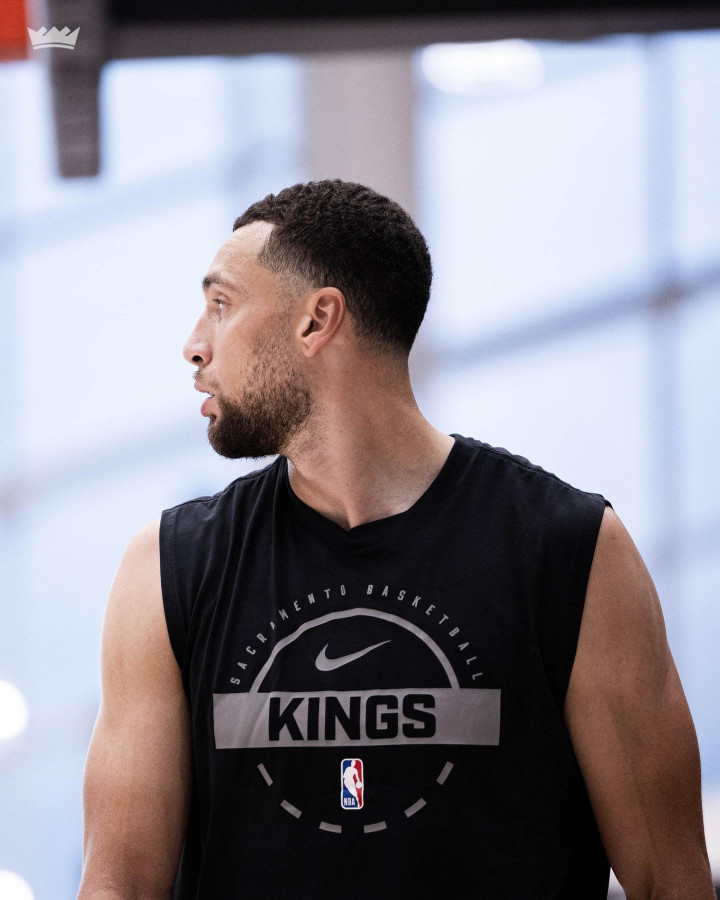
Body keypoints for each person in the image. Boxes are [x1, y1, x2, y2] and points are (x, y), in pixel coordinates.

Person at [77, 179, 715, 899]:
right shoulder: (168, 568)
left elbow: (672, 884)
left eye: (222, 305)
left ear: (317, 321)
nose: (195, 346)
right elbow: (118, 887)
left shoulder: (571, 550)